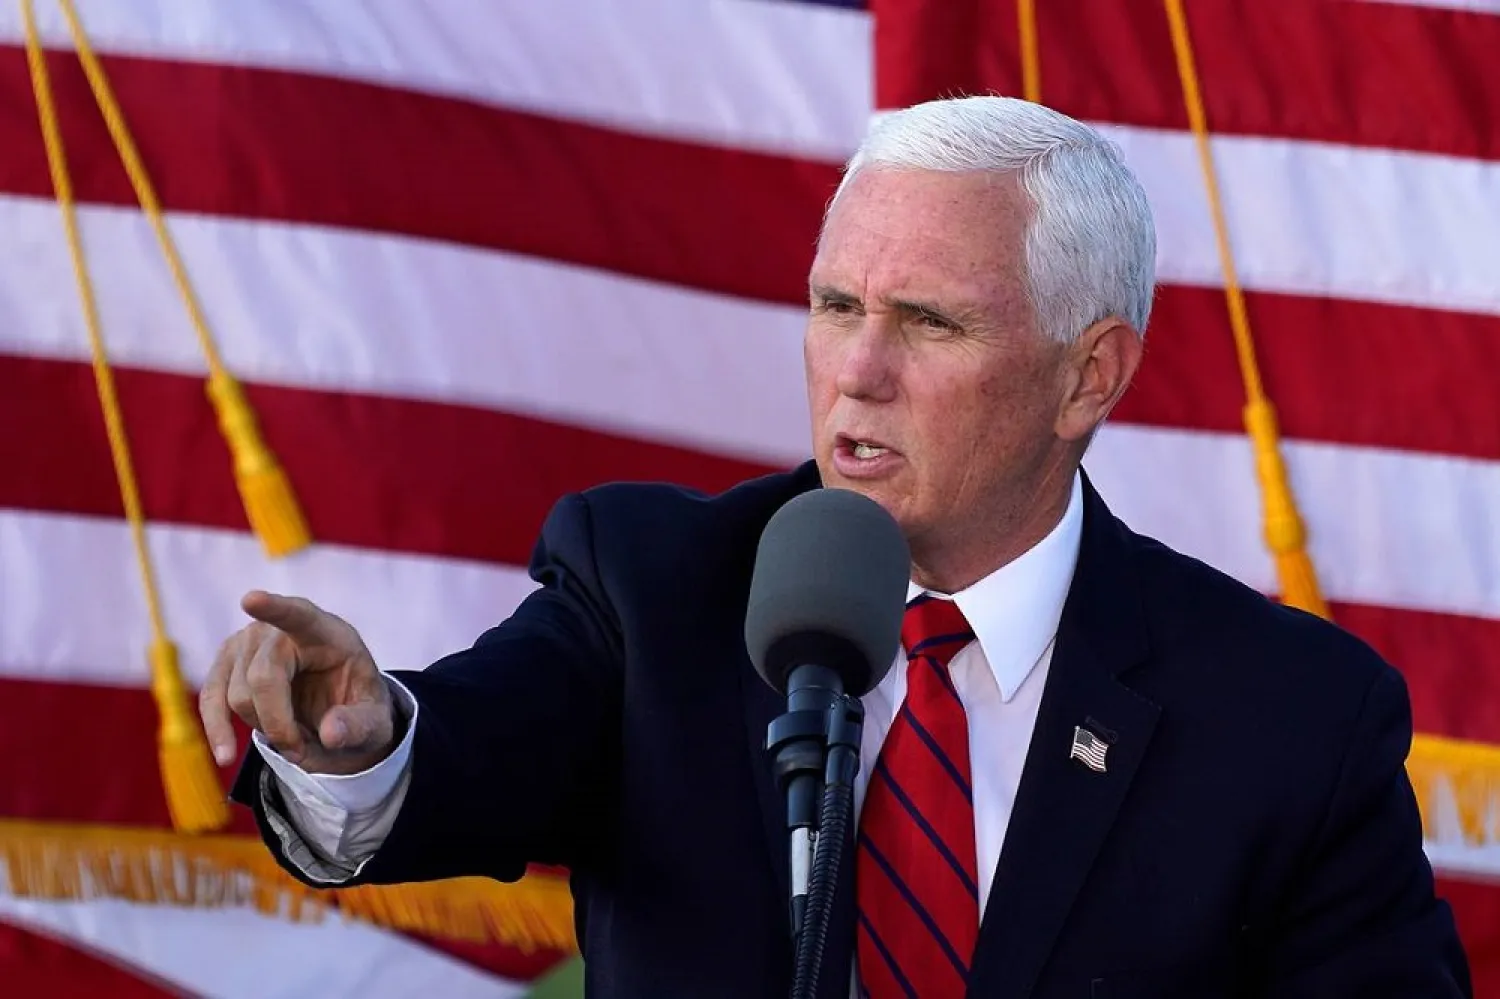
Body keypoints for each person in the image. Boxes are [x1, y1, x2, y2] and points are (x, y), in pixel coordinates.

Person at [202, 96, 1471, 998]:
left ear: (1089, 375)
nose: (857, 370)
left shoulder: (1291, 716)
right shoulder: (654, 587)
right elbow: (456, 761)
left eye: (929, 322)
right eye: (834, 304)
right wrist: (356, 740)